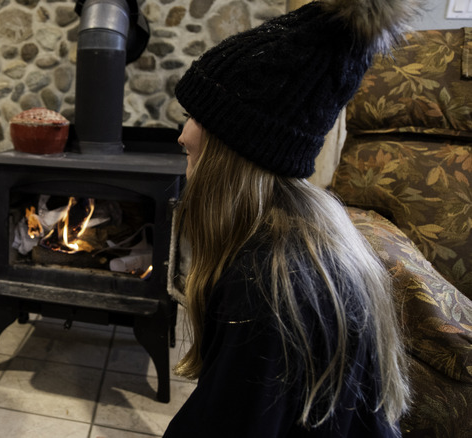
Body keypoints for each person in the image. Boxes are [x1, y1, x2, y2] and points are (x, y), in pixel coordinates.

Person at [164, 0, 423, 436]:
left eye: (197, 117)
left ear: (236, 150)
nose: (183, 132)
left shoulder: (266, 288)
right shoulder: (307, 240)